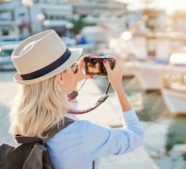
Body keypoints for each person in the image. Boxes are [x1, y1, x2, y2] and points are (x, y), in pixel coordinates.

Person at [9, 30, 144, 169]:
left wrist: (73, 81)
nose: (76, 70)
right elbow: (135, 136)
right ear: (61, 77)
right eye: (72, 67)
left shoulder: (25, 122)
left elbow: (64, 120)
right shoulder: (83, 133)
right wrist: (118, 87)